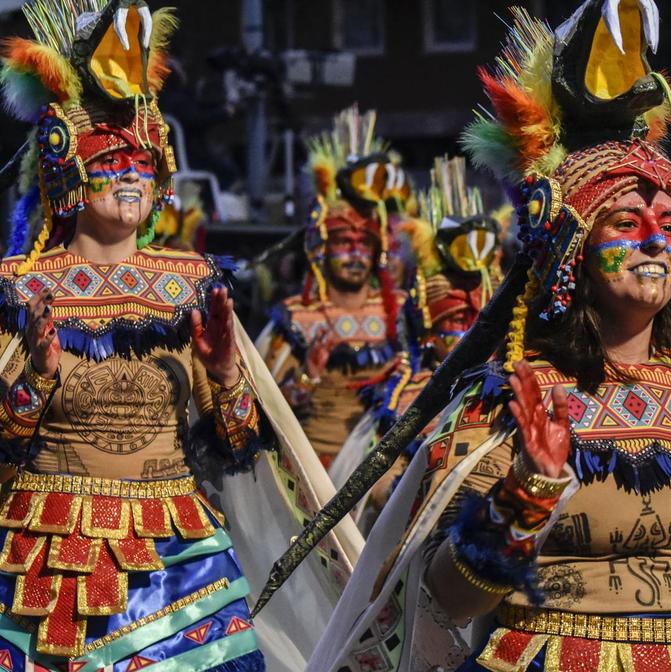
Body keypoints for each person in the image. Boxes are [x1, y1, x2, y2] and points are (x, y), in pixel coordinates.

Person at [309, 3, 671, 670]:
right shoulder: (512, 398)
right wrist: (525, 496)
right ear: (571, 253)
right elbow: (443, 599)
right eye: (625, 221)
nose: (654, 239)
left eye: (669, 225)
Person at [0, 2, 267, 667]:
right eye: (112, 161)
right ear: (65, 167)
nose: (130, 175)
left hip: (175, 556)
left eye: (142, 164)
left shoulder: (192, 282)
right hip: (43, 551)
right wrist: (35, 375)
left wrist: (228, 373)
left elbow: (236, 445)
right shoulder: (20, 286)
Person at [331, 155, 505, 518]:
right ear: (427, 327)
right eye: (458, 319)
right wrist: (421, 494)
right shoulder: (409, 397)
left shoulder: (518, 384)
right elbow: (379, 488)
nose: (472, 333)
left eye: (481, 320)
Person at [256, 105, 414, 466]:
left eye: (365, 243)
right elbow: (265, 410)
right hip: (316, 470)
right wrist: (309, 375)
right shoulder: (298, 318)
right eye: (345, 241)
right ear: (320, 247)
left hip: (383, 468)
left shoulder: (404, 311)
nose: (356, 254)